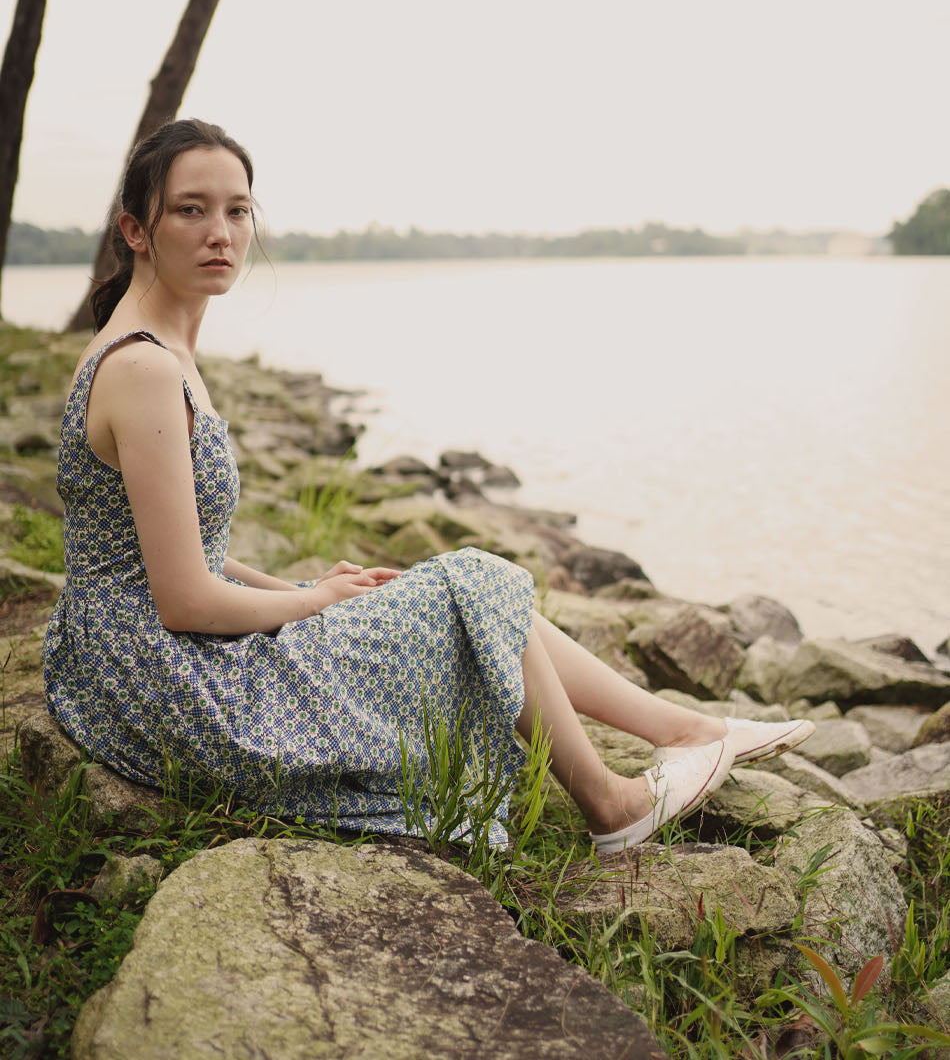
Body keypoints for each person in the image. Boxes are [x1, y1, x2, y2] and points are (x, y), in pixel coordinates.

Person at [43, 119, 814, 857]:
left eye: (237, 210)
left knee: (440, 592)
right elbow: (182, 599)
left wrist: (297, 586)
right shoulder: (144, 368)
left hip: (141, 649)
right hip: (161, 681)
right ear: (136, 230)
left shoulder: (164, 345)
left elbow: (182, 550)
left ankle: (685, 731)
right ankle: (612, 806)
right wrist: (309, 604)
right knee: (468, 577)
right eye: (191, 210)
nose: (222, 231)